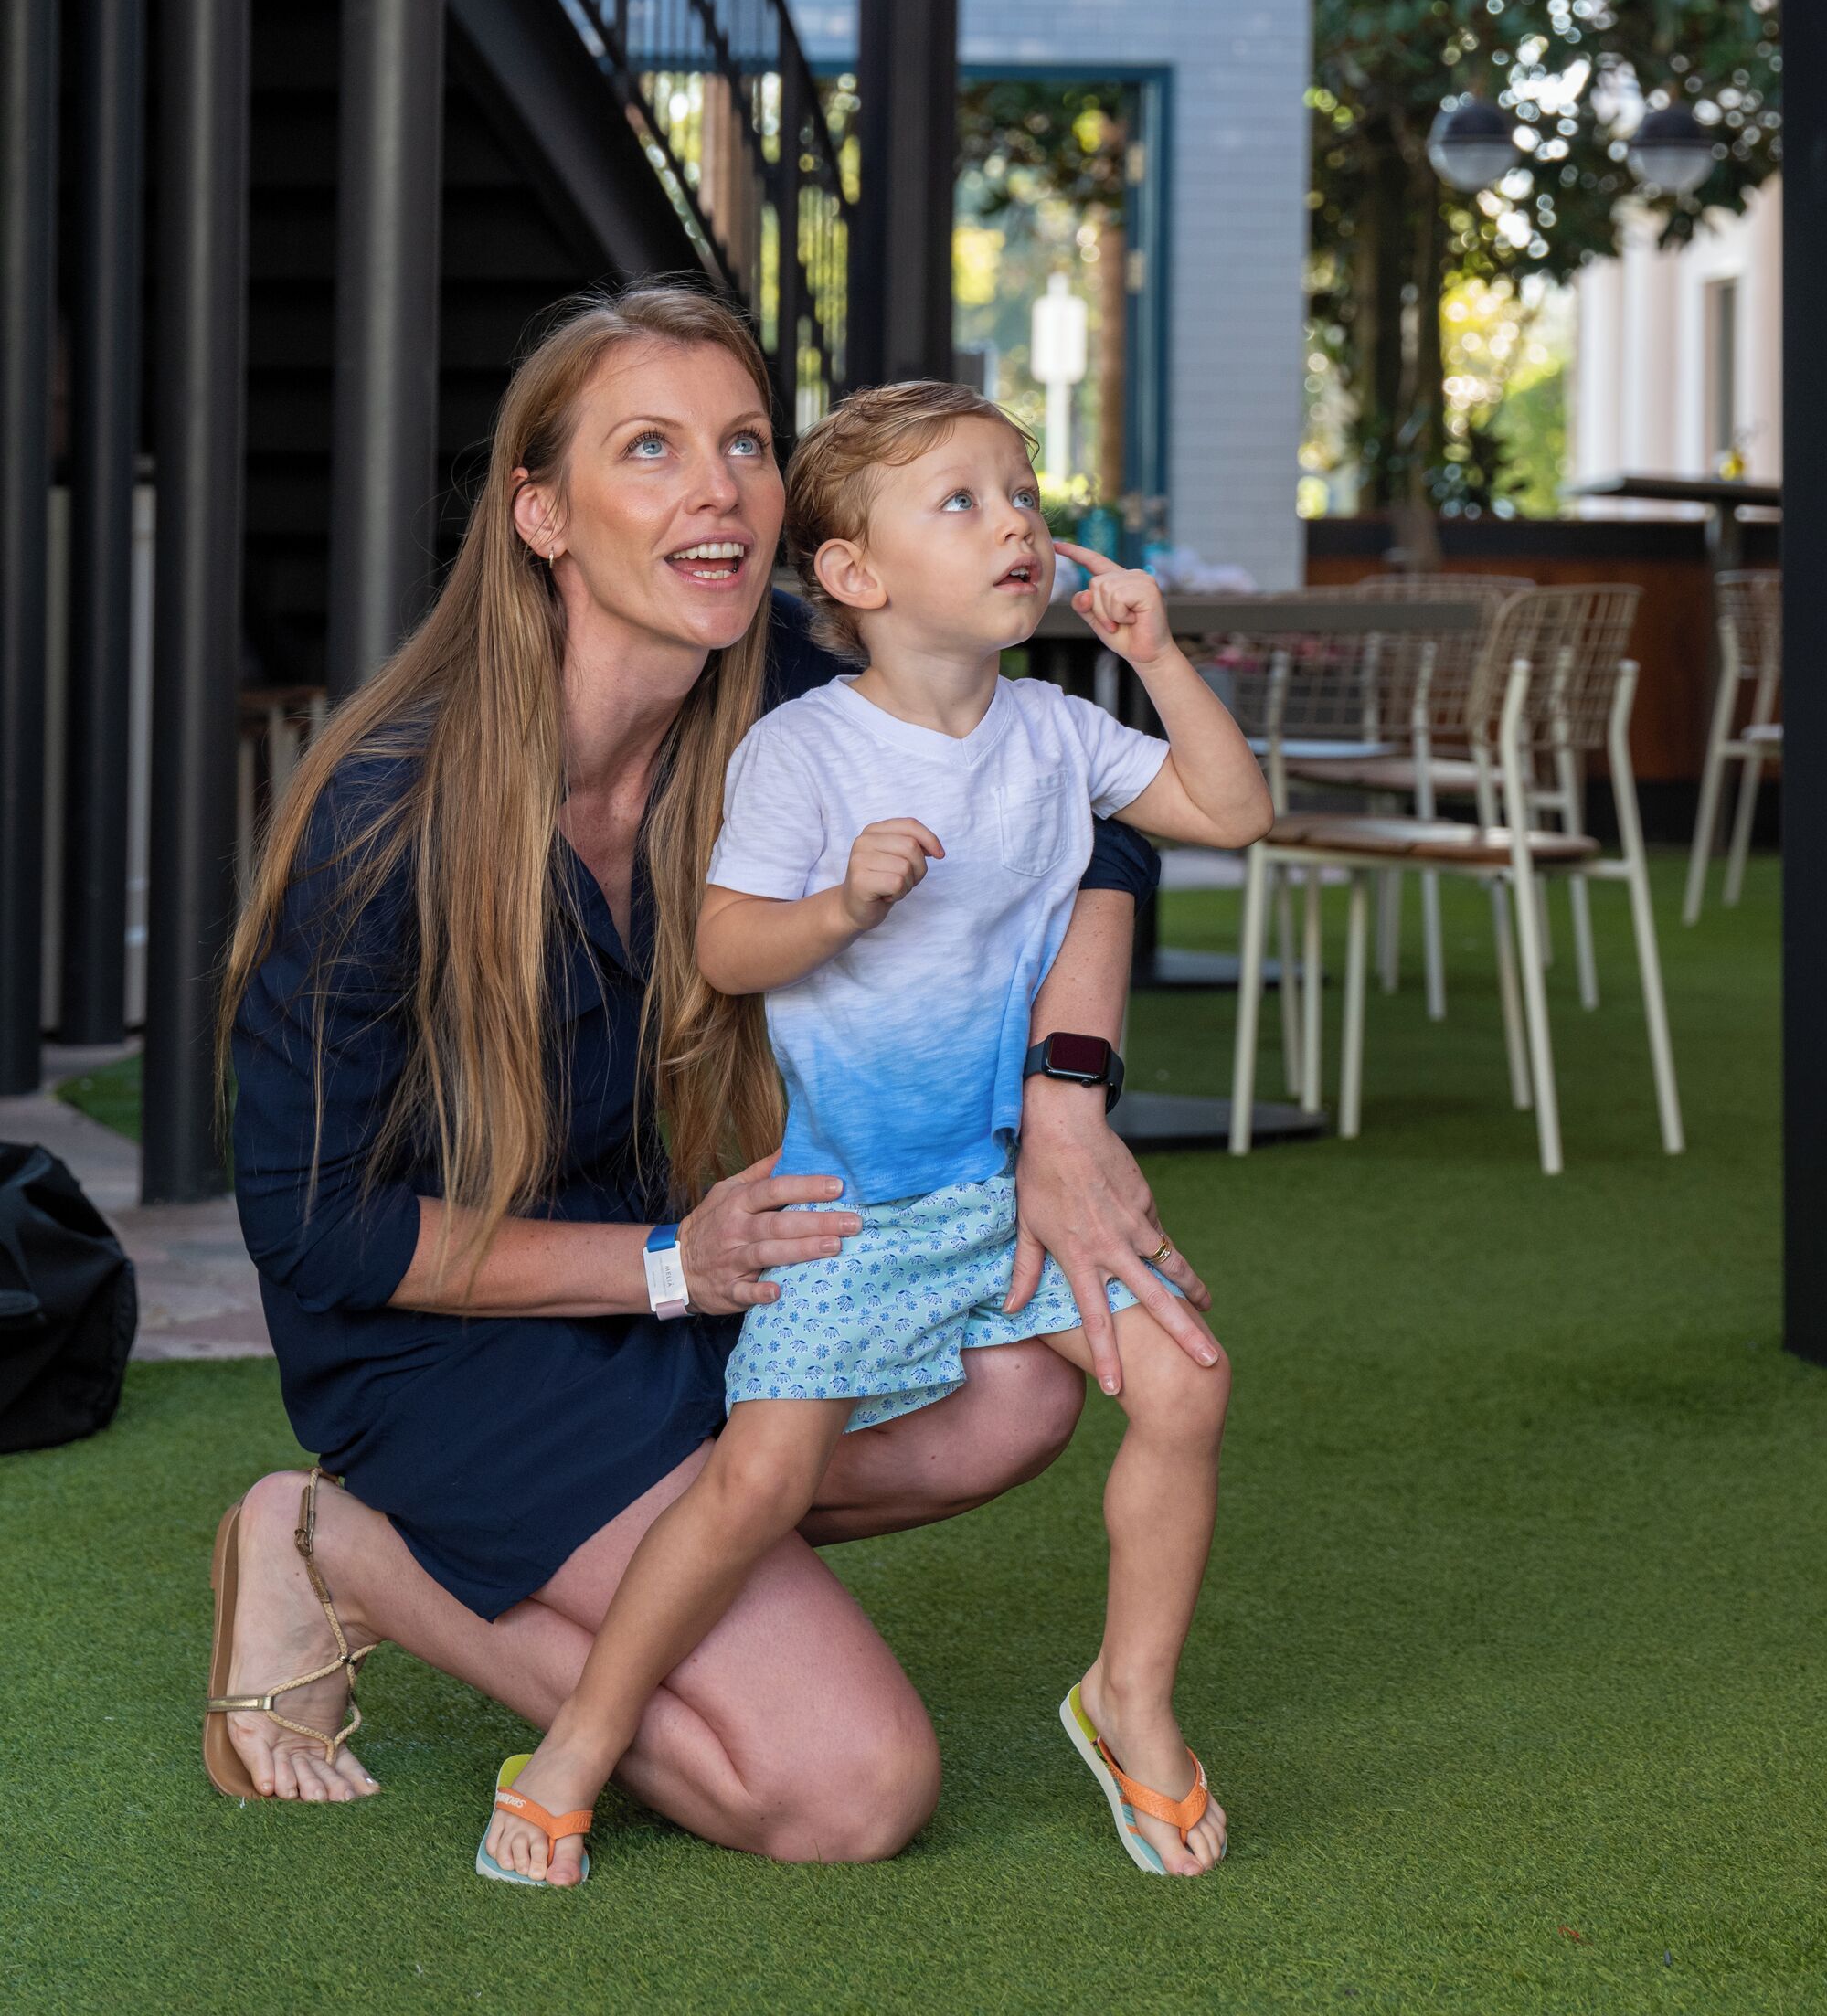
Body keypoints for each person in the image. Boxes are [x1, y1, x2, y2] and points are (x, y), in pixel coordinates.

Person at [208, 283, 1216, 1862]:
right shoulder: (385, 819)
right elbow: (314, 1230)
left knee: (1016, 1397)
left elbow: (1085, 842)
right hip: (463, 1336)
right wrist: (675, 1266)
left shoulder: (793, 721)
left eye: (745, 444)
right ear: (540, 514)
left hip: (701, 1275)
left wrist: (1065, 1107)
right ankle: (343, 1549)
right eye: (651, 450)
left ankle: (647, 1548)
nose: (720, 491)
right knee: (845, 1791)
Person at [478, 380, 1270, 1891]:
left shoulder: (1057, 729)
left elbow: (1229, 814)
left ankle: (1131, 1703)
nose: (1020, 524)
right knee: (755, 1489)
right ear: (855, 575)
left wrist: (1160, 663)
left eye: (1024, 495)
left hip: (1003, 1199)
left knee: (1188, 1387)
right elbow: (719, 948)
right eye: (964, 501)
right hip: (843, 1207)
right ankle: (578, 1737)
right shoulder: (806, 751)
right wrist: (842, 903)